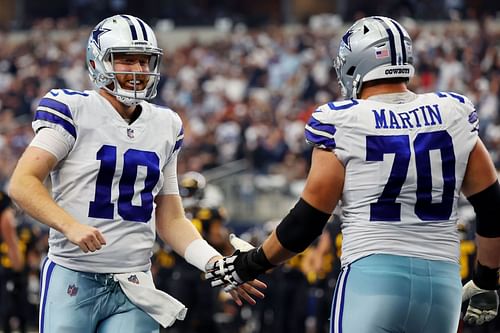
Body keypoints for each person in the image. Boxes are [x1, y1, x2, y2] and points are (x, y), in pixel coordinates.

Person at [206, 16, 500, 333]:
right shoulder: (451, 111)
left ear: (354, 64)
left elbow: (307, 221)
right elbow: (492, 208)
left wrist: (251, 264)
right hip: (443, 287)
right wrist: (486, 280)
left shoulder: (343, 120)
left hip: (373, 281)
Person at [8, 14, 265, 333]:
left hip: (135, 281)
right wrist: (70, 226)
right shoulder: (73, 110)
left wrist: (213, 263)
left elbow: (170, 218)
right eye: (126, 61)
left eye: (145, 62)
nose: (138, 71)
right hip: (72, 274)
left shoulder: (165, 125)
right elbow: (22, 182)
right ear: (96, 62)